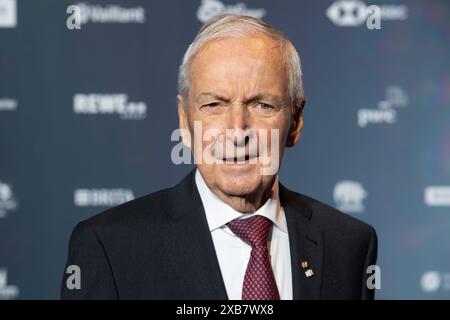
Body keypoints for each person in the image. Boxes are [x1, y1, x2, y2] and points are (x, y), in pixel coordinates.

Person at [61, 15, 377, 300]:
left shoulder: (349, 243)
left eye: (262, 105)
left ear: (295, 122)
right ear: (184, 121)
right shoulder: (110, 247)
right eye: (214, 105)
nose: (237, 130)